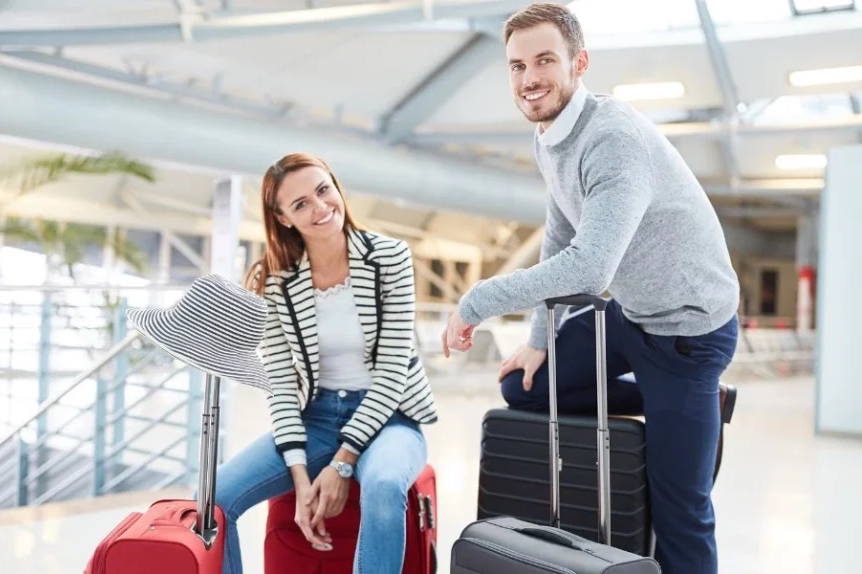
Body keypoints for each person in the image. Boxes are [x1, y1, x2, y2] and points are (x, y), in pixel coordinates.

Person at [441, 4, 740, 574]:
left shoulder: (613, 140)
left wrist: (478, 299)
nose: (530, 79)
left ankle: (691, 397)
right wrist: (539, 336)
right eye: (517, 66)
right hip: (632, 316)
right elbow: (559, 235)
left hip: (687, 332)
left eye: (545, 60)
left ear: (579, 63)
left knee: (684, 511)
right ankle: (691, 405)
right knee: (526, 388)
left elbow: (589, 269)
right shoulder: (548, 134)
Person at [207, 152, 437, 574]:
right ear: (282, 219)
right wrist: (299, 478)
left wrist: (342, 462)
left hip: (392, 416)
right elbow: (279, 383)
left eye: (323, 190)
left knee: (384, 486)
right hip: (316, 416)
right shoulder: (277, 281)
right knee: (216, 497)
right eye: (300, 204)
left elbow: (391, 375)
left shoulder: (390, 258)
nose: (320, 207)